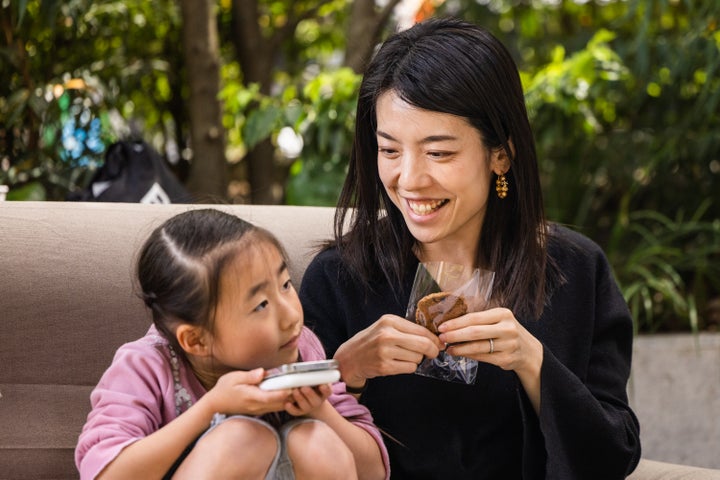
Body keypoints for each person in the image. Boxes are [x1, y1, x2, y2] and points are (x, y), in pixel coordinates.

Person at [299, 17, 641, 480]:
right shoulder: (339, 278)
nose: (411, 179)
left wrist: (531, 361)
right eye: (390, 150)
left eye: (439, 153)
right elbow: (287, 444)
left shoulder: (575, 270)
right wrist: (346, 372)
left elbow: (612, 458)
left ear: (500, 153)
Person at [75, 209, 389, 480]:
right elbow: (105, 473)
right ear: (196, 340)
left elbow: (372, 471)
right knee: (242, 439)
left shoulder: (300, 348)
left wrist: (319, 409)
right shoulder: (144, 365)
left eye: (285, 285)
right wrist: (211, 408)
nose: (291, 315)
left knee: (319, 443)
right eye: (261, 305)